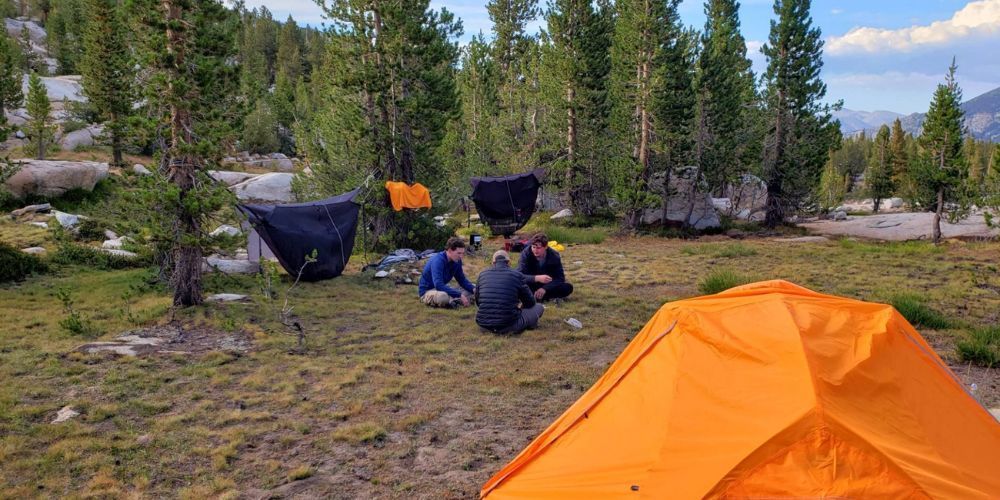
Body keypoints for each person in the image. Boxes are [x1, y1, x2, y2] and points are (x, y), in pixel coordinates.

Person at [475, 250, 544, 334]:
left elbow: (478, 301)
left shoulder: (482, 274)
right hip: (509, 325)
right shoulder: (517, 275)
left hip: (484, 325)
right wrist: (520, 306)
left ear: (493, 262)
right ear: (508, 262)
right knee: (539, 307)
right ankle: (530, 324)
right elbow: (530, 303)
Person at [418, 237, 476, 308]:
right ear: (449, 250)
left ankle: (454, 301)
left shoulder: (456, 261)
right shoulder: (438, 261)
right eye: (459, 253)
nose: (461, 256)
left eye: (463, 253)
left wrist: (474, 289)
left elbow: (462, 280)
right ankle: (454, 301)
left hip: (443, 289)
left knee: (474, 288)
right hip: (428, 291)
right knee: (442, 297)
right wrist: (459, 295)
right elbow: (438, 285)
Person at [518, 233, 574, 301]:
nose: (535, 250)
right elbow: (520, 276)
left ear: (546, 247)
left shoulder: (554, 255)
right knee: (517, 286)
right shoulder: (526, 254)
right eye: (533, 247)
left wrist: (545, 288)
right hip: (531, 283)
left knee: (567, 287)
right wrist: (536, 278)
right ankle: (545, 297)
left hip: (547, 285)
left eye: (538, 248)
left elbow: (560, 278)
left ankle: (536, 296)